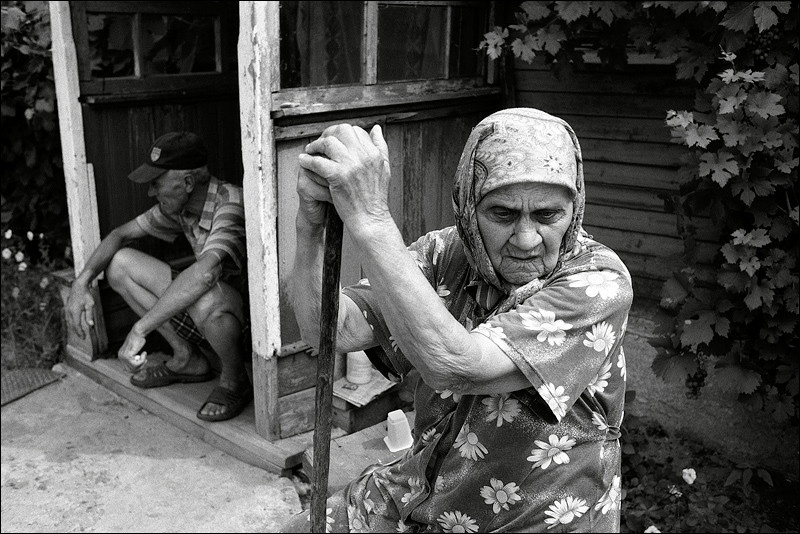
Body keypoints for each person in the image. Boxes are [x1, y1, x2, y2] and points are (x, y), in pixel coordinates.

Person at [285, 108, 633, 532]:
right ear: (469, 207)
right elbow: (330, 330)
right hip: (426, 489)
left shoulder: (599, 283)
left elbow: (456, 366)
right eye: (502, 214)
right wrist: (309, 226)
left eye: (547, 215)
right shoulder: (444, 254)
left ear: (574, 210)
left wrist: (371, 220)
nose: (526, 239)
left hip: (531, 516)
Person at [66, 131, 252, 423]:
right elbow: (120, 234)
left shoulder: (231, 202)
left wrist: (140, 329)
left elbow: (206, 274)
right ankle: (186, 358)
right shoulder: (182, 206)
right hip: (215, 305)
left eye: (157, 183)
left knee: (205, 297)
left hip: (250, 323)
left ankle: (234, 378)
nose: (151, 192)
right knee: (120, 264)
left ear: (188, 182)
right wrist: (81, 282)